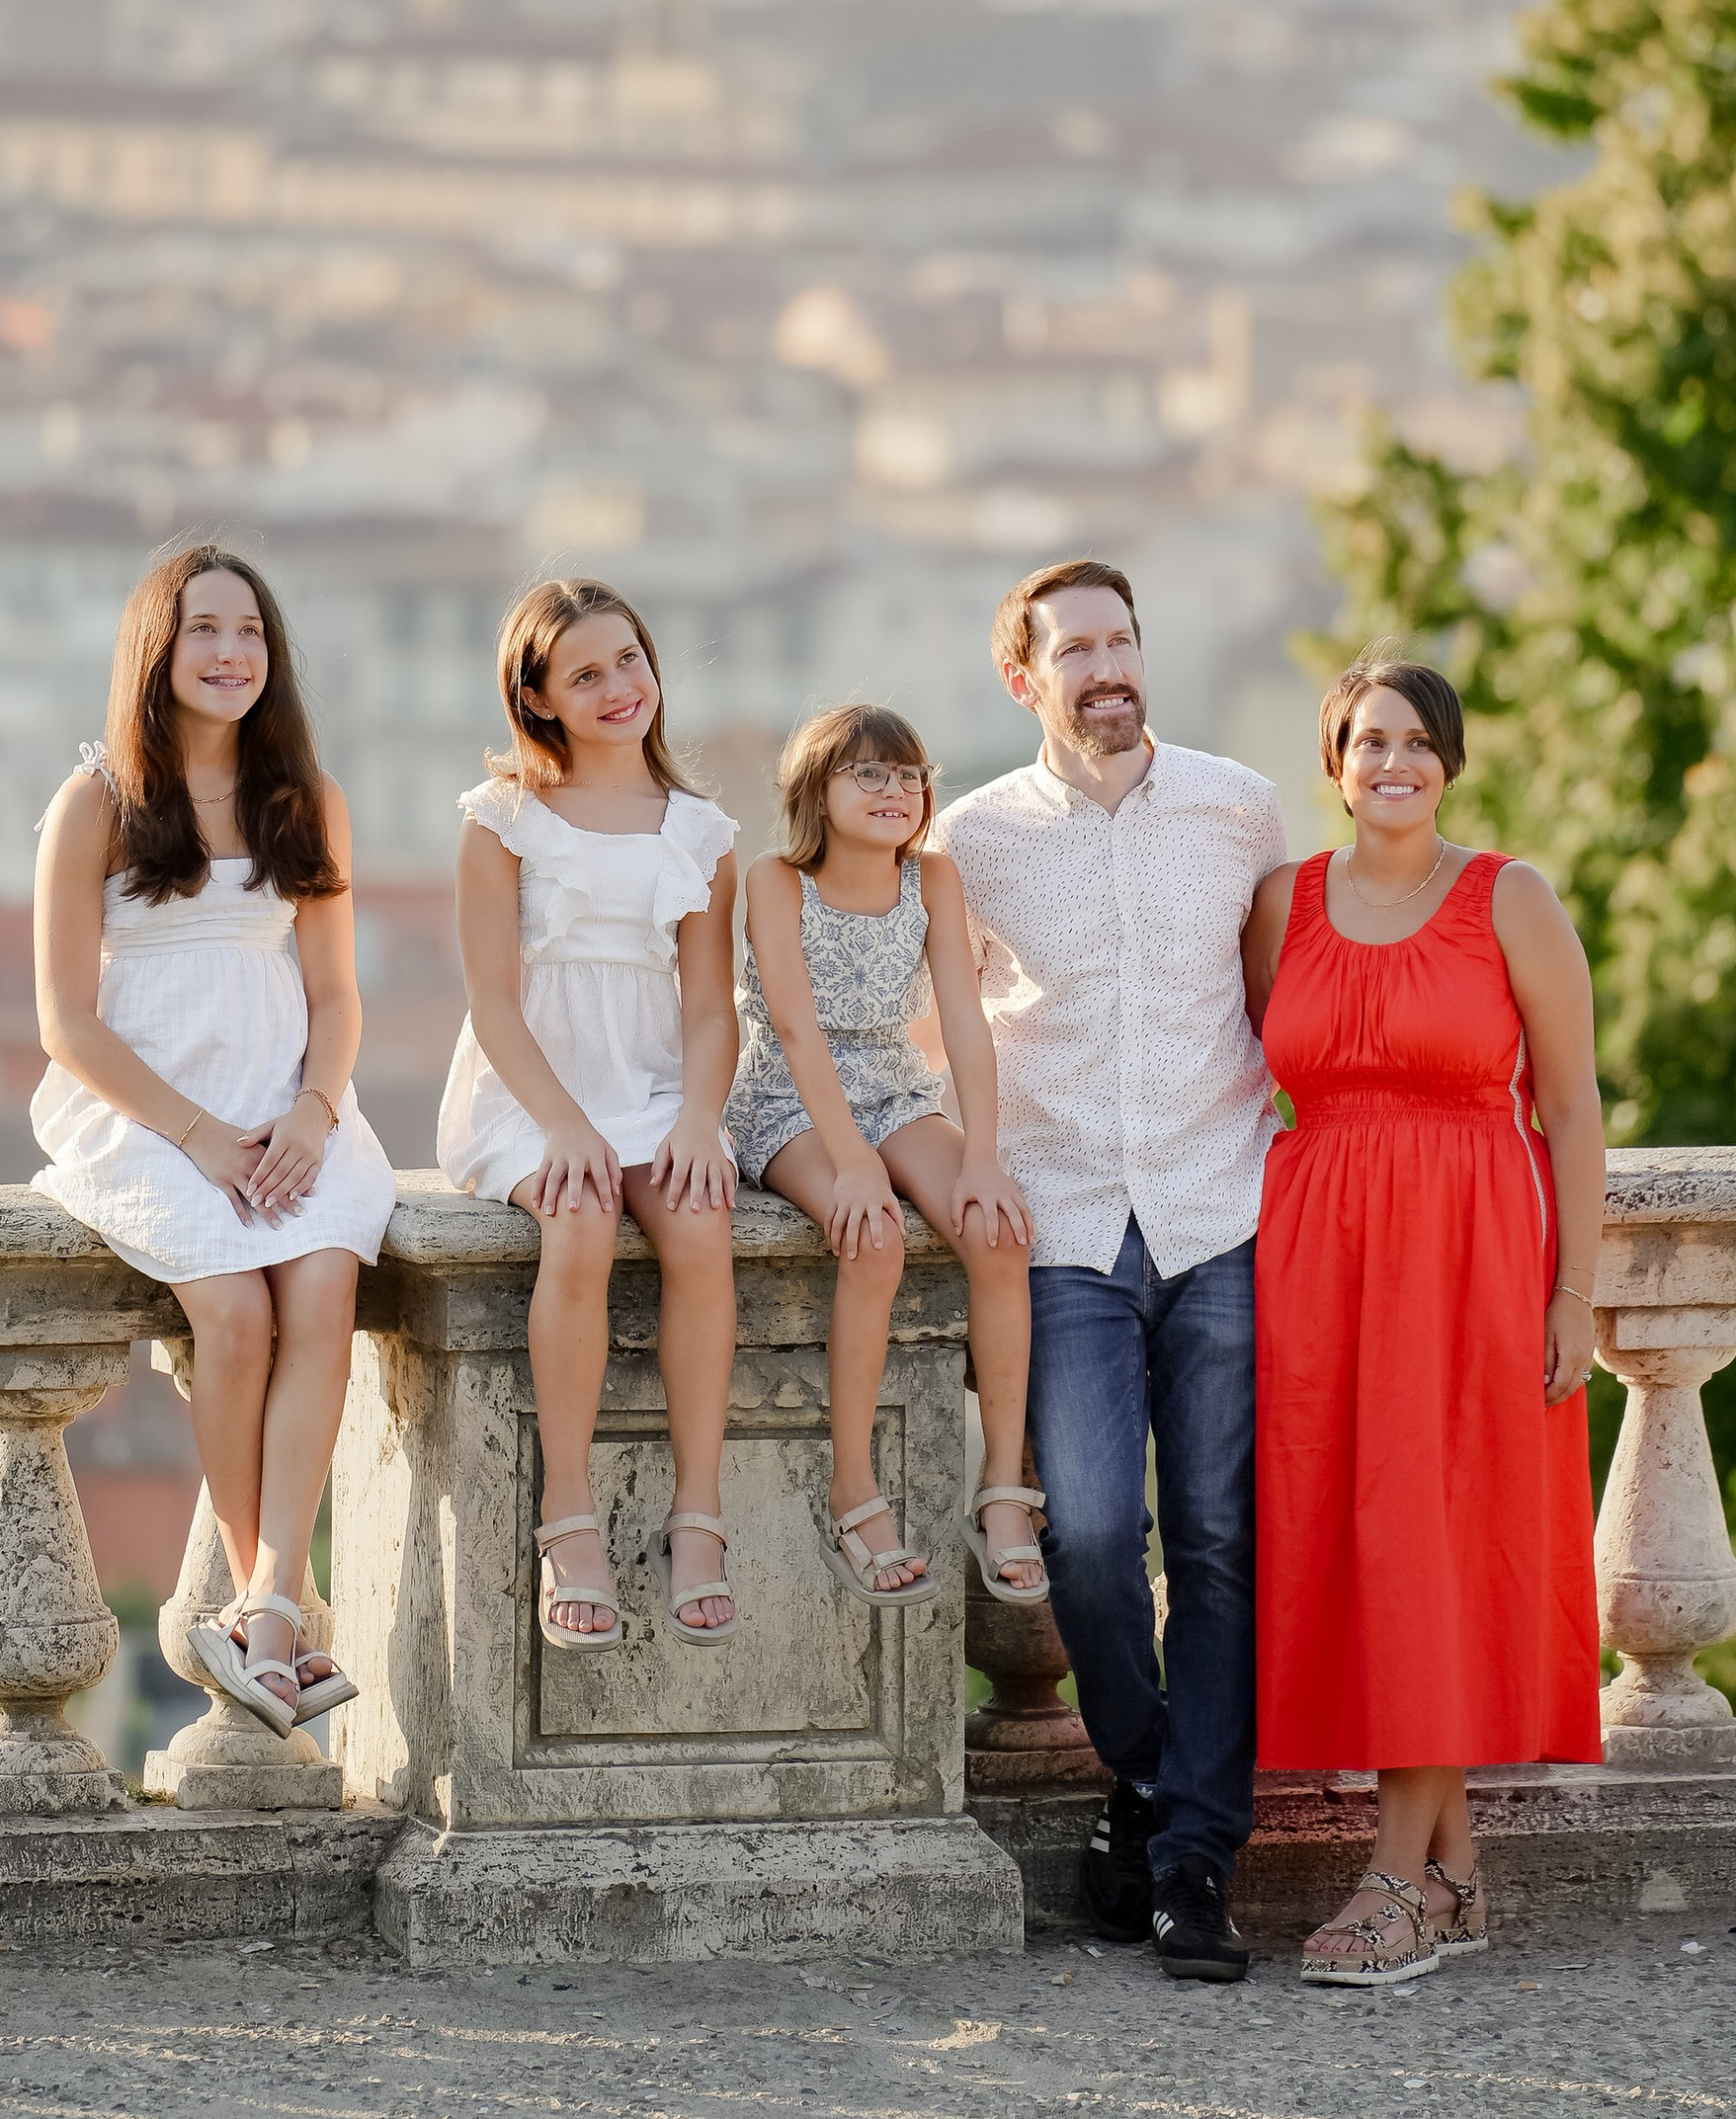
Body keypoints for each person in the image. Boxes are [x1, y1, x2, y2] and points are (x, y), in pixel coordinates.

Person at [935, 558, 1284, 1985]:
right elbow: (912, 1029)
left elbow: (1281, 997)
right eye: (1075, 648)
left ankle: (1190, 1850)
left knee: (1215, 1542)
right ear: (1024, 679)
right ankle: (1147, 1777)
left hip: (1221, 1213)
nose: (1109, 667)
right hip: (1064, 1229)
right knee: (1084, 1537)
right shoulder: (968, 842)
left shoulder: (1239, 806)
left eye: (1124, 638)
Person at [1244, 648, 1604, 1986]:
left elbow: (1570, 1108)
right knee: (1358, 1545)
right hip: (1317, 1259)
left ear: (1449, 761)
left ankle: (1396, 1881)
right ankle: (1453, 1875)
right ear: (1333, 767)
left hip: (1470, 1259)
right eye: (1366, 741)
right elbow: (1248, 1065)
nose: (1392, 762)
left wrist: (1575, 1292)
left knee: (1438, 1546)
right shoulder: (1284, 905)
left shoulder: (1511, 898)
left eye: (1416, 741)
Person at [32, 541, 394, 1736]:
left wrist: (313, 1110)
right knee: (234, 1316)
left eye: (250, 632)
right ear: (158, 648)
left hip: (288, 1102)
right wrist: (193, 1134)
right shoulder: (94, 803)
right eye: (204, 630)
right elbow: (66, 1023)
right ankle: (272, 1607)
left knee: (324, 1295)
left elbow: (338, 999)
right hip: (146, 1114)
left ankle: (268, 1612)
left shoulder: (310, 800)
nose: (231, 652)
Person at [438, 575, 742, 1649]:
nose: (618, 687)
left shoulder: (701, 833)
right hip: (531, 1088)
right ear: (539, 700)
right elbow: (491, 998)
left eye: (629, 660)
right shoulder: (503, 821)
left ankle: (696, 1513)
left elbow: (710, 1010)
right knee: (579, 1220)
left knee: (702, 1225)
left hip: (655, 1084)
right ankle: (567, 1519)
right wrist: (565, 1125)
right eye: (584, 674)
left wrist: (700, 1120)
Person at [727, 701, 1043, 1608]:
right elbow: (791, 1028)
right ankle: (855, 1491)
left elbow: (964, 1023)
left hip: (897, 1090)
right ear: (816, 793)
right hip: (791, 1100)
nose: (894, 790)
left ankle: (1003, 1492)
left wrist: (980, 1153)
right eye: (867, 773)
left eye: (908, 774)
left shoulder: (931, 880)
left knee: (999, 1234)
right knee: (875, 1241)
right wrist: (851, 1162)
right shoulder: (776, 881)